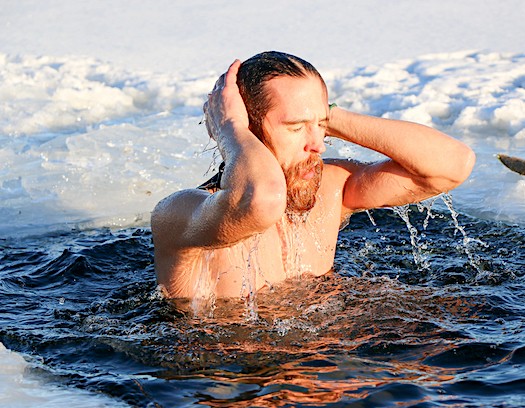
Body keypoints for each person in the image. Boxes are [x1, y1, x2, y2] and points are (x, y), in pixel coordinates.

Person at [151, 51, 475, 299]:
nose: (317, 144)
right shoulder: (181, 214)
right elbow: (262, 201)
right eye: (295, 128)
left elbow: (452, 165)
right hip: (234, 380)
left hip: (322, 368)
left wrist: (325, 115)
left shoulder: (330, 189)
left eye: (321, 126)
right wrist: (229, 129)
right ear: (247, 127)